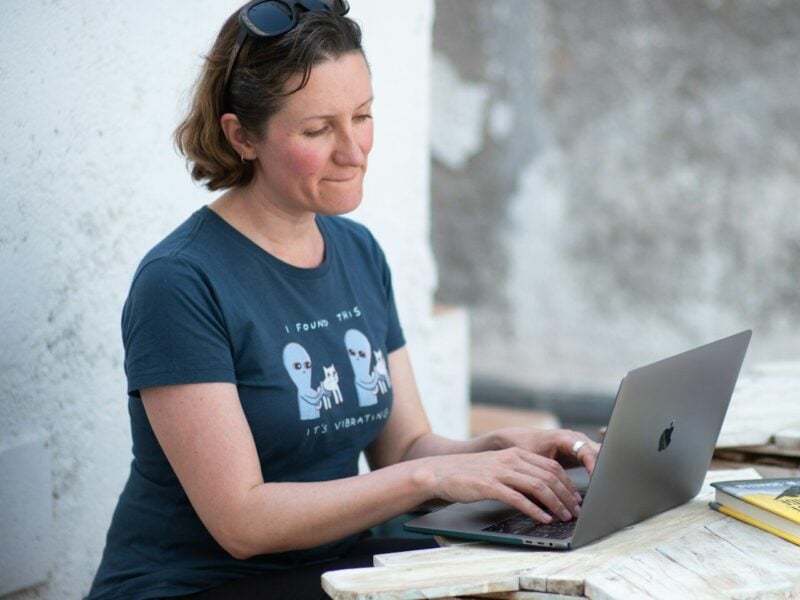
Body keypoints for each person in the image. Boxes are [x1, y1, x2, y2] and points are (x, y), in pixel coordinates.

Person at [86, 2, 599, 598]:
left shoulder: (357, 251)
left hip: (328, 568)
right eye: (317, 129)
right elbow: (241, 523)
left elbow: (404, 449)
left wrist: (495, 454)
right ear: (241, 136)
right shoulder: (180, 282)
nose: (354, 151)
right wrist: (433, 473)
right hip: (191, 585)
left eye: (362, 116)